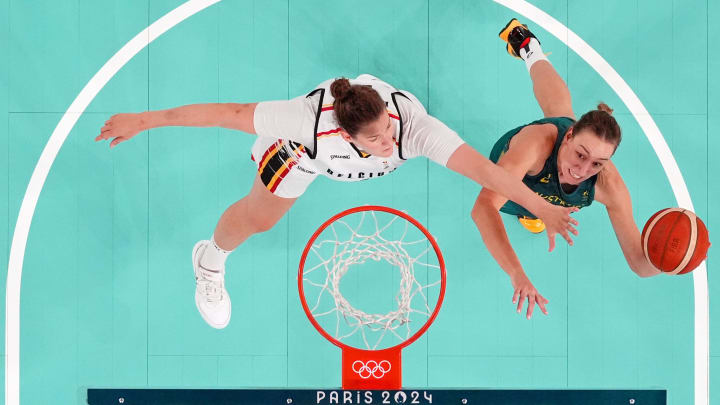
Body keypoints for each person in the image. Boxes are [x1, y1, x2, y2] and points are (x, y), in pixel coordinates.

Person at [96, 74, 578, 329]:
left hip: (354, 118)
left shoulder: (416, 131)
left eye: (389, 128)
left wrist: (540, 207)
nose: (391, 141)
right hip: (303, 160)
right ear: (347, 135)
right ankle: (209, 259)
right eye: (378, 139)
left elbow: (487, 172)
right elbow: (227, 114)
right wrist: (144, 120)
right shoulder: (305, 125)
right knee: (257, 221)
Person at [471, 19, 661, 321]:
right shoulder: (538, 144)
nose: (583, 170)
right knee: (560, 113)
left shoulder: (608, 185)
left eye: (597, 163)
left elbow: (640, 264)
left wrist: (672, 260)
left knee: (540, 211)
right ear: (569, 136)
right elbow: (483, 207)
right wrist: (516, 273)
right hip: (514, 171)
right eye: (580, 154)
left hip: (552, 202)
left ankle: (534, 214)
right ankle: (529, 48)